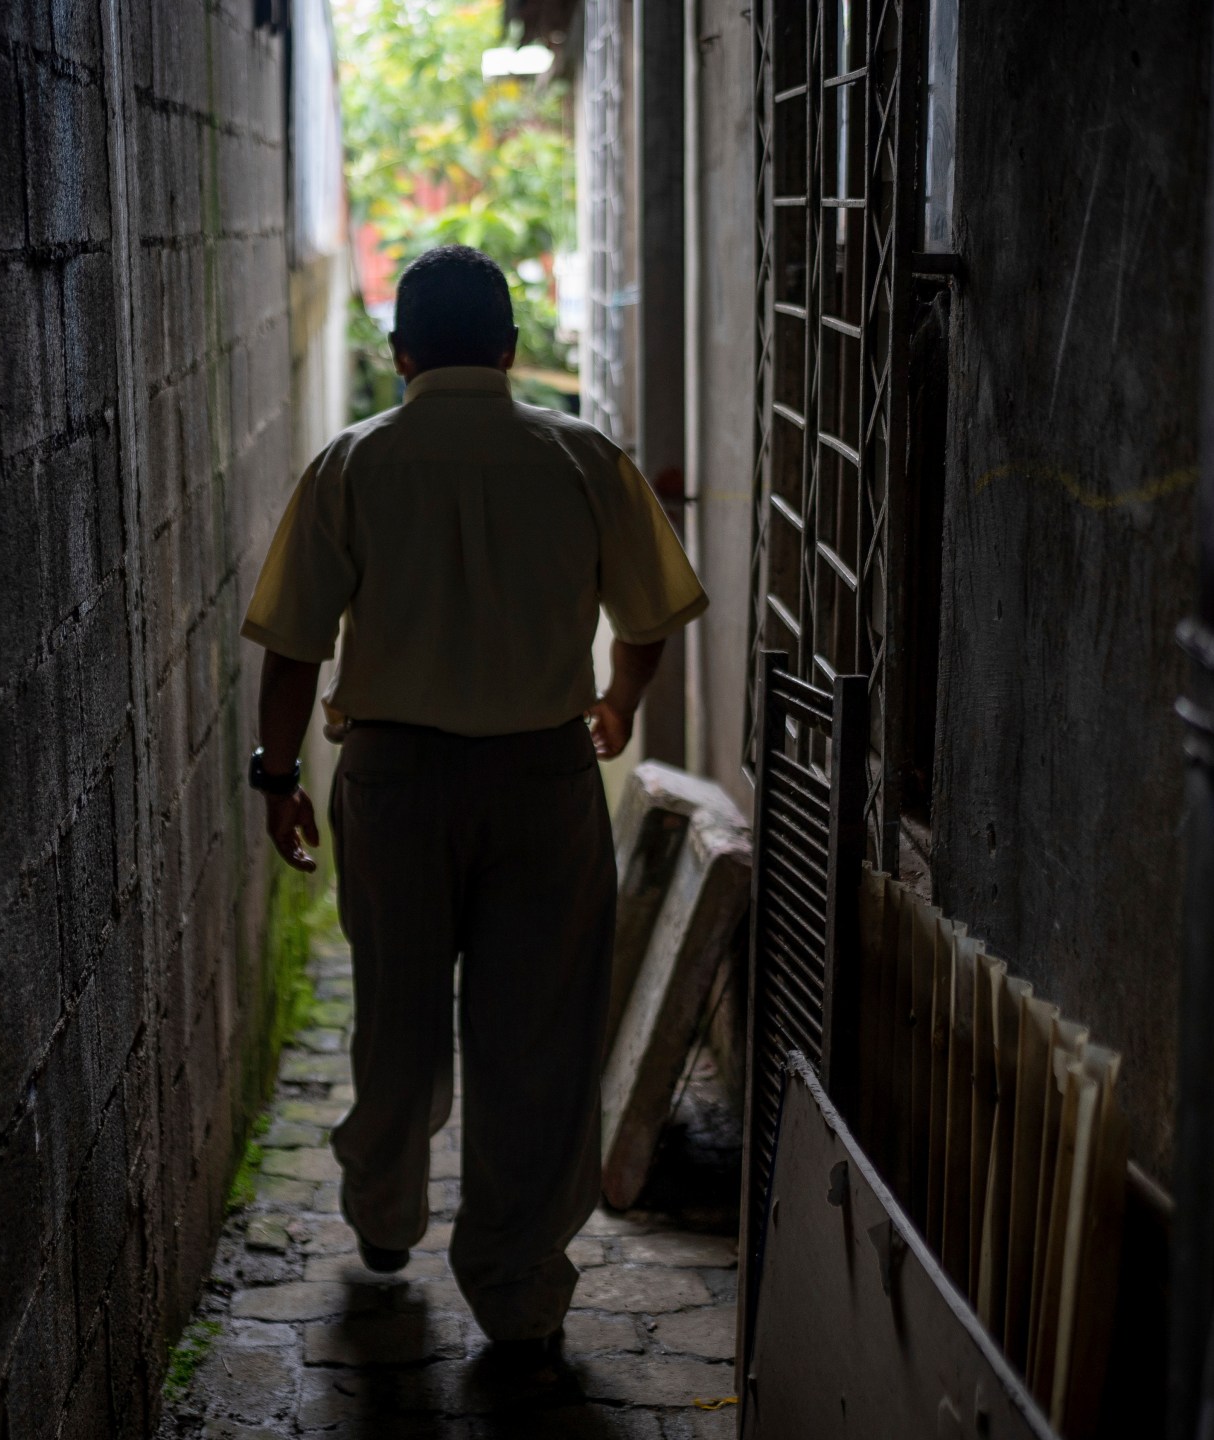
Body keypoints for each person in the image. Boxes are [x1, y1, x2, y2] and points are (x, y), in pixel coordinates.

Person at [239, 245, 707, 1358]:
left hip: (395, 785)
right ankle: (514, 1282)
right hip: (543, 784)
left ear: (398, 353)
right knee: (535, 1040)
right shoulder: (583, 454)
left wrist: (276, 777)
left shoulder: (350, 463)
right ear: (507, 350)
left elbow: (295, 649)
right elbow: (648, 616)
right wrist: (617, 702)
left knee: (395, 1015)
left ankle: (385, 1213)